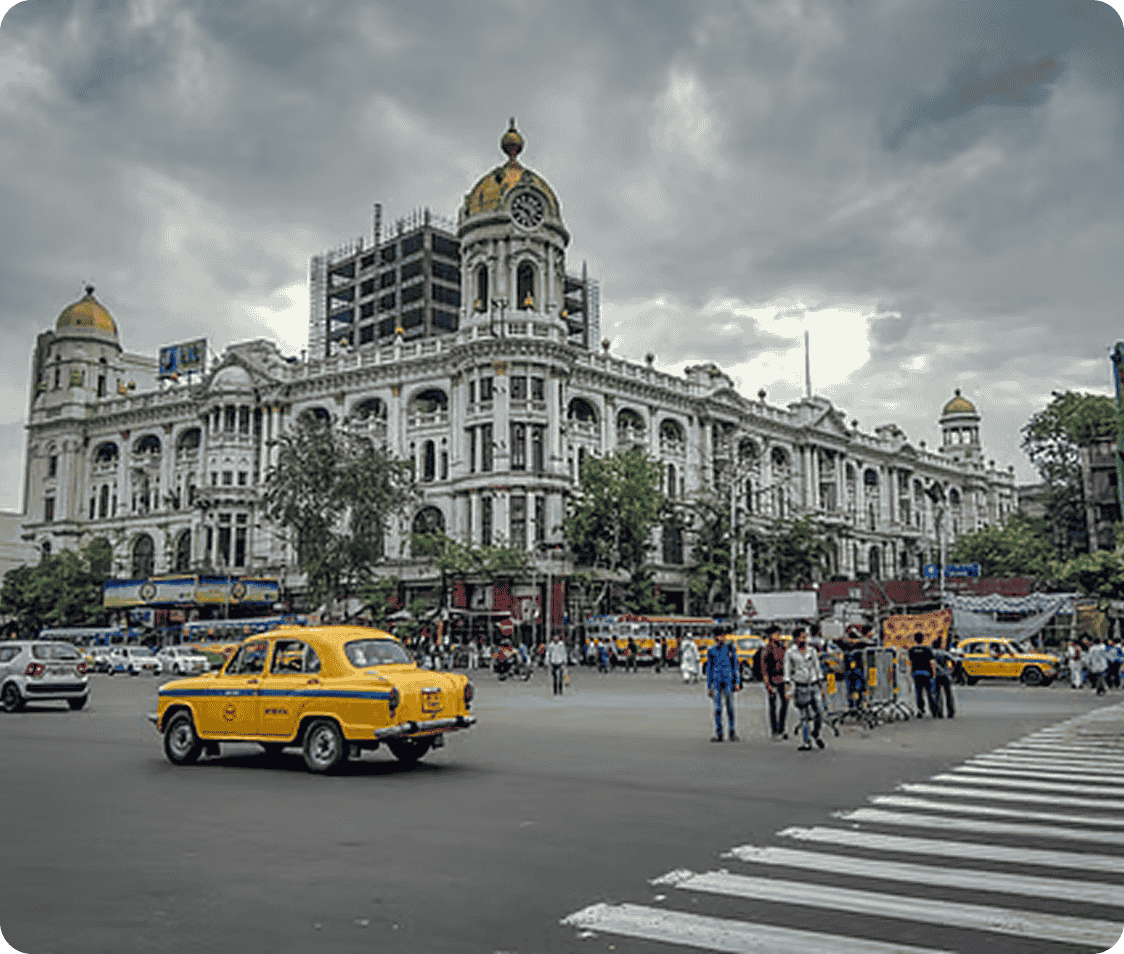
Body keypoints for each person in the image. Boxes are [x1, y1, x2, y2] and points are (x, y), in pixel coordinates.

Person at [784, 628, 825, 750]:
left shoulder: (812, 651)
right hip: (800, 686)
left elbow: (817, 668)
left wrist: (821, 685)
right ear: (796, 639)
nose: (804, 639)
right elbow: (787, 672)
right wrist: (788, 689)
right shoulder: (790, 653)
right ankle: (806, 742)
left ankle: (816, 732)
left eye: (805, 636)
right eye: (801, 637)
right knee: (804, 716)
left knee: (820, 712)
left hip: (813, 685)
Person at [706, 631, 740, 742]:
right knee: (718, 709)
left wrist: (737, 682)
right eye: (720, 636)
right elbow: (709, 669)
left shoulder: (730, 649)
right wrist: (709, 686)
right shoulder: (711, 651)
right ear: (716, 637)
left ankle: (732, 731)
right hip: (716, 682)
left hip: (728, 681)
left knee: (730, 708)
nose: (722, 638)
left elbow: (735, 665)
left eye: (723, 636)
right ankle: (719, 733)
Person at [762, 627, 789, 740]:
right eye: (776, 634)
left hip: (783, 679)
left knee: (785, 704)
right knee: (773, 706)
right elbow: (764, 668)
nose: (779, 636)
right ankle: (774, 730)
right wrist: (767, 684)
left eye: (779, 634)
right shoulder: (767, 650)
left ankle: (781, 728)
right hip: (772, 679)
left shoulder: (783, 648)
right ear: (771, 636)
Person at [908, 632, 939, 717]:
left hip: (917, 674)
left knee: (919, 693)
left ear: (915, 639)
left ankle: (920, 710)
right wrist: (934, 673)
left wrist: (911, 673)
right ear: (923, 639)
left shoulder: (912, 650)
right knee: (929, 693)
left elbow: (910, 663)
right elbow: (931, 662)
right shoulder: (927, 649)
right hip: (926, 674)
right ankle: (933, 711)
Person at [931, 636, 956, 718]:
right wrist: (952, 671)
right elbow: (954, 660)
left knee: (937, 694)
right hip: (945, 675)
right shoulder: (944, 653)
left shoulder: (932, 653)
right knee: (948, 694)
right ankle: (950, 711)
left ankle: (939, 712)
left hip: (936, 675)